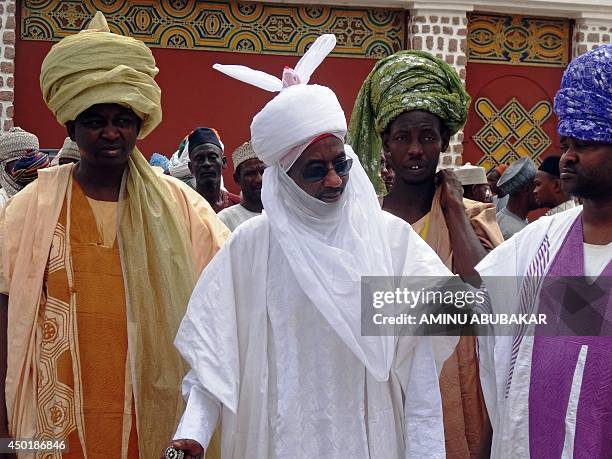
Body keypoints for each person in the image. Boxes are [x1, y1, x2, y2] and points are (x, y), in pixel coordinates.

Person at [164, 34, 457, 459]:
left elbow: (421, 362)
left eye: (340, 165)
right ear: (283, 179)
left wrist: (573, 305)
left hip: (369, 438)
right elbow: (214, 358)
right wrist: (193, 433)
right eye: (315, 170)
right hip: (279, 436)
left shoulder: (388, 241)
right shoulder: (251, 248)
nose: (335, 181)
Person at [0, 12, 229, 458]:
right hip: (49, 418)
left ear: (139, 123)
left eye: (122, 119)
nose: (110, 133)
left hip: (156, 412)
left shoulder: (182, 206)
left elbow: (226, 297)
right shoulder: (32, 207)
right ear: (70, 127)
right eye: (94, 120)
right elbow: (5, 307)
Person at [348, 50, 503, 459]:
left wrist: (453, 206)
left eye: (427, 137)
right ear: (385, 144)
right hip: (385, 383)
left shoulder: (470, 216)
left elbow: (488, 295)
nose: (415, 149)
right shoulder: (367, 223)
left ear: (445, 143)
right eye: (403, 138)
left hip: (461, 387)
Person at [476, 43, 612, 458]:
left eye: (583, 145)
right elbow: (474, 305)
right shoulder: (541, 243)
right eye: (565, 143)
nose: (565, 158)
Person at [188, 127, 240, 213]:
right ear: (191, 167)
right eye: (199, 159)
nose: (206, 163)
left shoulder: (238, 205)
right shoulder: (184, 207)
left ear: (223, 162)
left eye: (212, 157)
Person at [217, 141, 265, 231]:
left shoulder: (285, 212)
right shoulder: (224, 220)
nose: (259, 179)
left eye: (263, 172)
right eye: (251, 173)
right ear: (237, 179)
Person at [0, 127, 49, 209]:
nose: (28, 170)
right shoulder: (2, 200)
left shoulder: (50, 195)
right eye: (17, 165)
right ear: (5, 167)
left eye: (33, 163)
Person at [496, 157, 539, 239]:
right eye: (537, 185)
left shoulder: (503, 218)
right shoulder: (515, 233)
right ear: (526, 189)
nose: (538, 191)